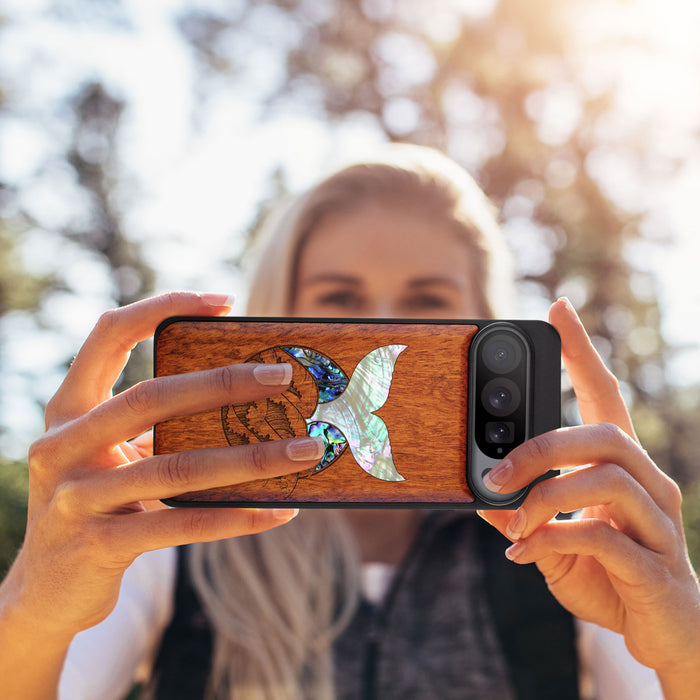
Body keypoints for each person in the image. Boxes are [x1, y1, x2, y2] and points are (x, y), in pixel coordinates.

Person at [0, 145, 698, 700]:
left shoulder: (567, 544)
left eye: (428, 301)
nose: (384, 327)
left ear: (486, 323)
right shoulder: (171, 535)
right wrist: (34, 607)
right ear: (280, 311)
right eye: (340, 298)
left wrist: (685, 648)